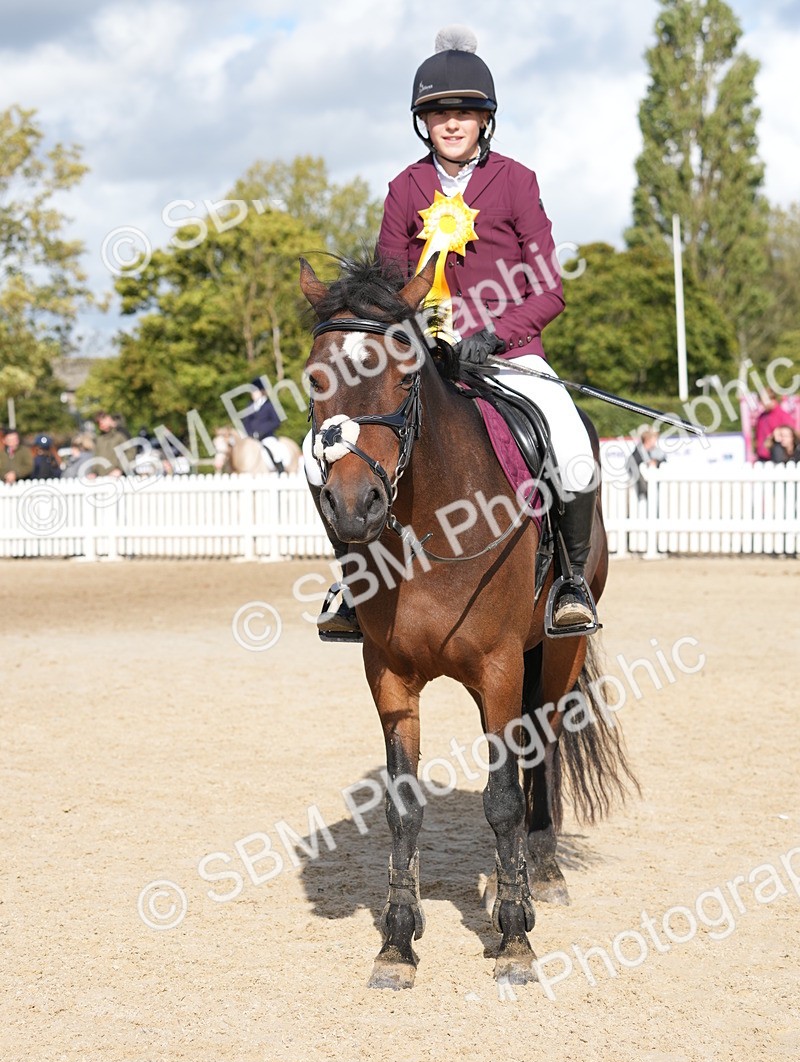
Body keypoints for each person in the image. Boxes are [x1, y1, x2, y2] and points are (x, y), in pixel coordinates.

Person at [310, 26, 598, 640]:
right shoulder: (404, 189)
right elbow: (386, 292)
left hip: (508, 355)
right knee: (330, 452)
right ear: (424, 123)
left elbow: (550, 288)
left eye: (464, 112)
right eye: (439, 113)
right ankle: (354, 582)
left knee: (572, 451)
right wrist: (411, 340)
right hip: (422, 361)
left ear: (484, 120)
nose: (451, 123)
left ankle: (570, 582)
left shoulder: (516, 181)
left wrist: (494, 334)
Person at [243, 379, 286, 474]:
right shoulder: (250, 406)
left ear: (261, 391)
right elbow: (246, 422)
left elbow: (276, 422)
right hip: (252, 438)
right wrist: (250, 433)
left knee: (275, 451)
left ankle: (280, 470)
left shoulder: (269, 405)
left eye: (254, 391)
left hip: (267, 437)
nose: (252, 393)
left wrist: (261, 432)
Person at [753, 389, 799, 462]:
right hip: (761, 458)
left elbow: (791, 439)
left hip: (777, 459)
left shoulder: (783, 416)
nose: (762, 404)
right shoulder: (761, 416)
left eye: (764, 401)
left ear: (772, 399)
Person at [625, 428, 666, 500]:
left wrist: (655, 462)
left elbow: (663, 461)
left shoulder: (652, 451)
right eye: (654, 439)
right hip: (639, 488)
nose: (655, 441)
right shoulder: (638, 452)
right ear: (647, 440)